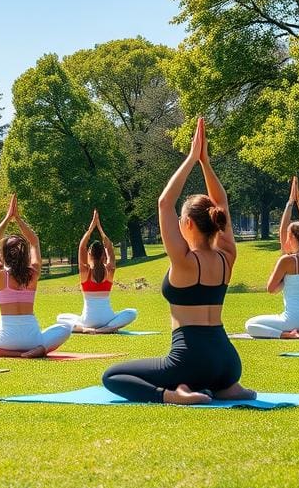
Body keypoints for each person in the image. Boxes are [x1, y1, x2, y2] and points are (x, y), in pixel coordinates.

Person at [102, 117, 255, 404]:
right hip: (228, 362)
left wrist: (191, 159)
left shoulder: (184, 261)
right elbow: (221, 201)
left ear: (187, 224)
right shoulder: (227, 257)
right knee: (215, 378)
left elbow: (163, 203)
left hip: (189, 360)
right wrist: (206, 163)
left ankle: (173, 394)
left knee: (111, 376)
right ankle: (226, 387)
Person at [0, 194, 73, 357]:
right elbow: (35, 241)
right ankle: (40, 350)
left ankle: (12, 354)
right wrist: (19, 220)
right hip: (33, 341)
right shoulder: (33, 272)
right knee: (65, 328)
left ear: (5, 255)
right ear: (24, 255)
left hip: (6, 341)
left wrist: (8, 218)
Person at [244, 176, 299, 338]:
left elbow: (271, 289)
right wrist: (298, 201)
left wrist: (289, 202)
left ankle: (287, 335)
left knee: (250, 325)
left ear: (291, 237)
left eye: (286, 235)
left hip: (293, 320)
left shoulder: (287, 260)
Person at [57, 210, 137, 333]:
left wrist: (91, 228)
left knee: (60, 318)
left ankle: (84, 329)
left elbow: (81, 246)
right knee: (132, 312)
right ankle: (106, 329)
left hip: (88, 321)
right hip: (108, 320)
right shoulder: (109, 269)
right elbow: (109, 246)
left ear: (90, 254)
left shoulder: (85, 271)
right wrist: (99, 227)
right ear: (103, 255)